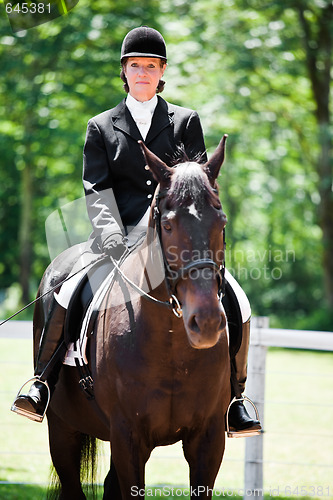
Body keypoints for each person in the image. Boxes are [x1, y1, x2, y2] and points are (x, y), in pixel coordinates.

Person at [11, 26, 261, 436]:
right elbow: (95, 186)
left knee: (237, 297)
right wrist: (109, 233)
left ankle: (236, 399)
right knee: (66, 287)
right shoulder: (101, 126)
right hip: (117, 235)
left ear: (162, 72)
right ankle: (43, 381)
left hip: (176, 238)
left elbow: (198, 183)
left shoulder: (185, 120)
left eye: (151, 66)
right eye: (135, 66)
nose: (142, 73)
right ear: (124, 72)